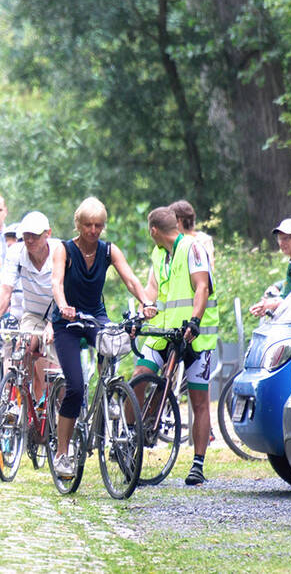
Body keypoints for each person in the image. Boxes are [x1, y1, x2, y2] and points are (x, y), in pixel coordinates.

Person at [50, 197, 155, 480]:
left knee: (114, 342)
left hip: (95, 317)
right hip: (68, 322)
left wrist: (145, 301)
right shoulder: (64, 249)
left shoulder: (108, 251)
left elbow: (131, 279)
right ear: (78, 224)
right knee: (74, 387)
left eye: (98, 225)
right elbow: (57, 282)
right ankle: (62, 453)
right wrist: (62, 306)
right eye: (88, 225)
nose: (93, 231)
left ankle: (109, 391)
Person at [132, 206, 218, 486]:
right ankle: (131, 436)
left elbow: (202, 287)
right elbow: (153, 291)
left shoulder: (192, 249)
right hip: (165, 331)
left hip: (194, 334)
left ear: (153, 230)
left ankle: (198, 464)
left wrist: (195, 320)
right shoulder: (159, 254)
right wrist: (145, 308)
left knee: (199, 400)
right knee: (137, 379)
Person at [0, 211, 59, 403]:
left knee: (53, 373)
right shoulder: (16, 251)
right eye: (26, 235)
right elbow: (4, 288)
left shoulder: (60, 250)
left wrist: (52, 323)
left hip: (57, 312)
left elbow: (64, 289)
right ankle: (19, 401)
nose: (30, 240)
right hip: (32, 313)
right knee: (22, 347)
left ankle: (50, 407)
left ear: (47, 233)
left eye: (35, 235)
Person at [250, 217, 291, 317]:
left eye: (287, 238)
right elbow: (286, 296)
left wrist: (276, 304)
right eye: (279, 238)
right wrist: (264, 306)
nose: (282, 243)